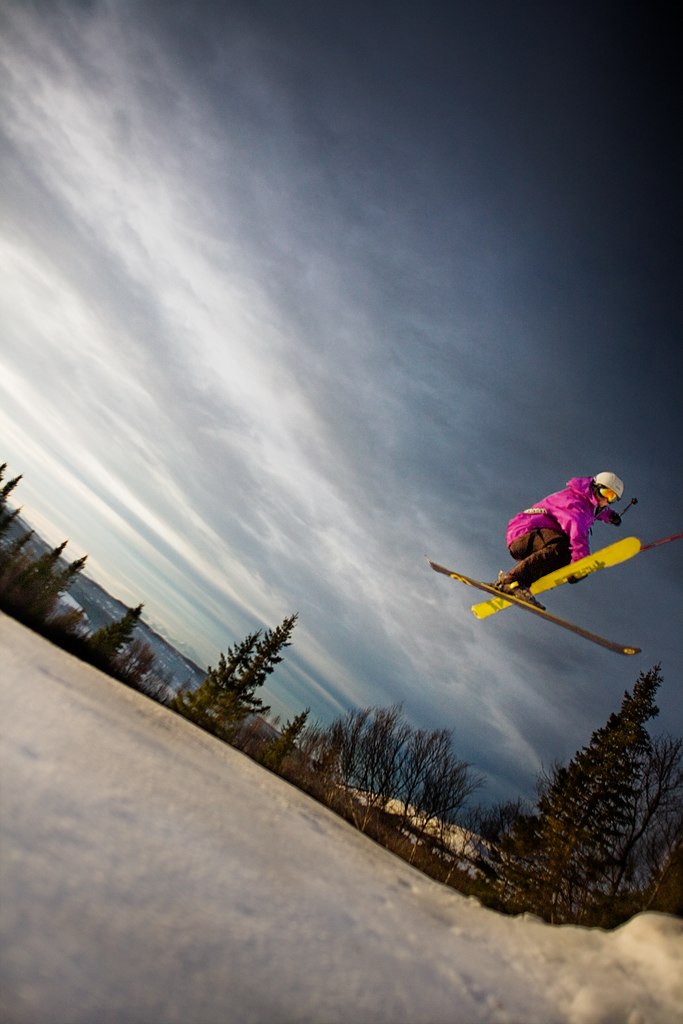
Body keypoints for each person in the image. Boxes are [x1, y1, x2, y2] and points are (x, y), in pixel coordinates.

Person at [492, 472, 624, 607]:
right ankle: (512, 581)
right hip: (524, 532)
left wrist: (610, 515)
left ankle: (523, 581)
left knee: (565, 554)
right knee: (562, 548)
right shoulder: (574, 501)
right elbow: (577, 530)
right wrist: (581, 564)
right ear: (594, 487)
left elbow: (596, 512)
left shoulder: (589, 504)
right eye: (605, 492)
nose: (606, 500)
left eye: (612, 497)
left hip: (539, 535)